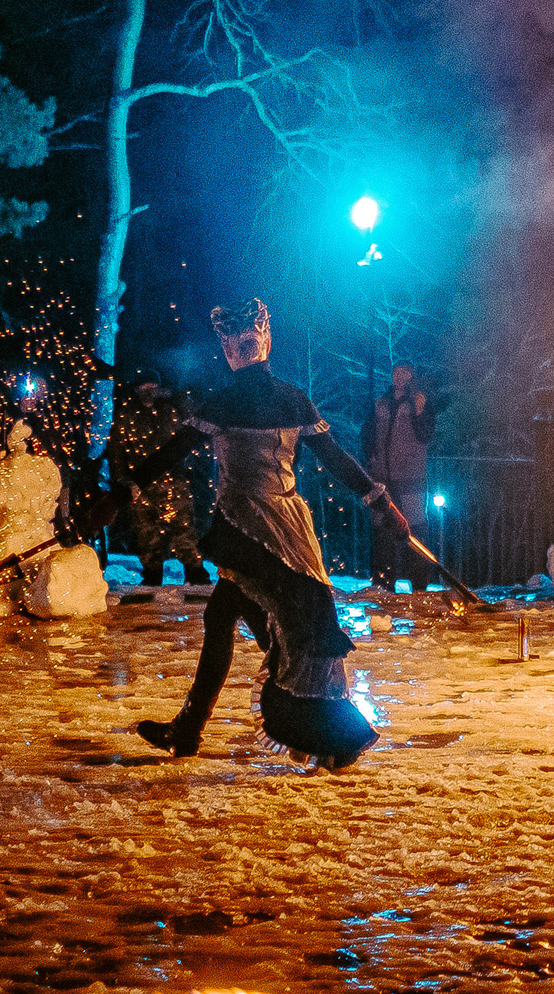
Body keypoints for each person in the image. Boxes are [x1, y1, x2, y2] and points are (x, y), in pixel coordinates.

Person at [111, 299, 402, 768]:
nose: (238, 347)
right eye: (236, 341)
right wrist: (379, 501)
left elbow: (171, 453)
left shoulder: (227, 400)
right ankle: (190, 729)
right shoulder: (291, 397)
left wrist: (120, 492)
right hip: (286, 528)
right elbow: (338, 460)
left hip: (249, 529)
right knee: (231, 616)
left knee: (281, 627)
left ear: (245, 345)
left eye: (239, 341)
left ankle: (321, 729)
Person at [109, 380, 209, 586]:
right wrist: (124, 481)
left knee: (184, 533)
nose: (148, 393)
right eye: (143, 389)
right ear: (136, 390)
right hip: (141, 487)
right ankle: (153, 575)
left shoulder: (172, 410)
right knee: (147, 536)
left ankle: (196, 574)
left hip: (174, 482)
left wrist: (174, 397)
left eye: (153, 388)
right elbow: (117, 452)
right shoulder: (128, 416)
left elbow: (193, 417)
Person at [364, 363, 434, 592]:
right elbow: (367, 432)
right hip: (382, 478)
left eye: (405, 373)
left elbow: (426, 435)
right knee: (382, 531)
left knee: (414, 529)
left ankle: (420, 585)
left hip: (411, 476)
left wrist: (420, 413)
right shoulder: (380, 402)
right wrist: (370, 457)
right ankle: (383, 582)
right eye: (397, 372)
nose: (400, 377)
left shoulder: (419, 402)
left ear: (412, 377)